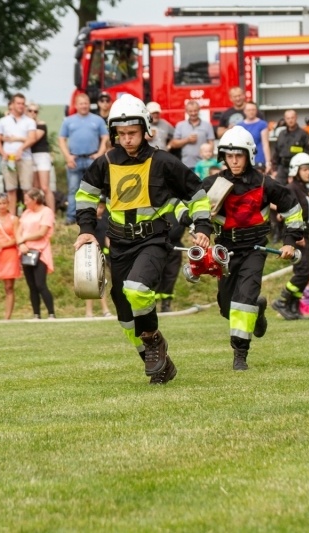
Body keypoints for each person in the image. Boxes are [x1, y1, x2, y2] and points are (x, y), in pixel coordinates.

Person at [74, 94, 213, 385]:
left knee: (137, 289)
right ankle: (161, 366)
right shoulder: (104, 163)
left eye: (132, 133)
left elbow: (197, 195)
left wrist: (203, 226)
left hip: (153, 241)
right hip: (118, 244)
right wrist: (86, 229)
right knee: (125, 317)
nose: (127, 139)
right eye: (121, 133)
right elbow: (85, 196)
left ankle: (152, 339)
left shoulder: (164, 162)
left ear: (146, 129)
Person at [200, 125, 303, 369]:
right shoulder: (212, 184)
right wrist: (199, 229)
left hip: (254, 250)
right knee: (227, 307)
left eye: (239, 155)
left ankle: (240, 354)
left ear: (249, 156)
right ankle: (257, 310)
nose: (234, 161)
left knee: (244, 298)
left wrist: (290, 241)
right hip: (224, 250)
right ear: (223, 157)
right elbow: (190, 208)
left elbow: (292, 208)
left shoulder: (265, 183)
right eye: (229, 156)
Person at [271, 152, 309, 320]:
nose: (308, 172)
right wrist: (297, 236)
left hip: (305, 234)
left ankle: (294, 307)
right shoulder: (291, 189)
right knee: (303, 271)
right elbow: (289, 214)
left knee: (306, 270)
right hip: (296, 236)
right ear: (295, 170)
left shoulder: (304, 190)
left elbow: (308, 215)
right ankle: (282, 300)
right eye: (304, 169)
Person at [58, 92, 108, 224]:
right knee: (73, 189)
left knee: (93, 189)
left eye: (86, 103)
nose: (84, 106)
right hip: (74, 160)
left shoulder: (97, 120)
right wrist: (67, 157)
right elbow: (61, 139)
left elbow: (105, 138)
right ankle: (71, 217)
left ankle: (92, 216)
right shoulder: (68, 121)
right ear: (76, 105)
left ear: (89, 104)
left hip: (92, 159)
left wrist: (99, 154)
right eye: (81, 103)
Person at [16, 188, 56, 319]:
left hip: (41, 251)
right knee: (31, 285)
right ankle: (36, 314)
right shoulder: (26, 213)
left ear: (35, 200)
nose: (25, 202)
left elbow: (42, 232)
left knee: (40, 284)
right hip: (25, 251)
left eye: (27, 200)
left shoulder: (46, 212)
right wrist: (21, 244)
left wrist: (24, 238)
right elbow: (18, 231)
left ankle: (51, 313)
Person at [0, 93, 37, 210]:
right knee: (10, 189)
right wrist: (3, 153)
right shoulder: (3, 121)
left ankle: (27, 215)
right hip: (8, 159)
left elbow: (32, 138)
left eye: (23, 104)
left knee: (27, 189)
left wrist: (21, 149)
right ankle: (12, 216)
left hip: (25, 158)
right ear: (12, 104)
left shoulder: (29, 121)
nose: (21, 106)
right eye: (18, 103)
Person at [25, 102, 56, 211]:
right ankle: (36, 211)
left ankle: (51, 212)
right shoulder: (25, 125)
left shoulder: (41, 124)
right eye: (30, 110)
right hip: (30, 156)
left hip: (42, 155)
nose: (33, 113)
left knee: (45, 187)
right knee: (35, 188)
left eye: (35, 111)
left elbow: (32, 139)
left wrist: (15, 138)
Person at [85, 198, 113, 318]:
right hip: (90, 254)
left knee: (101, 282)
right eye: (97, 207)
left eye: (101, 207)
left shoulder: (105, 220)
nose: (99, 210)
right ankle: (90, 311)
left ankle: (104, 310)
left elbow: (107, 237)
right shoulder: (89, 222)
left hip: (102, 254)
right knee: (91, 283)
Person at [270, 109, 309, 183]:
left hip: (297, 169)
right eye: (288, 118)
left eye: (292, 118)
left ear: (296, 118)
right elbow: (276, 153)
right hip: (282, 168)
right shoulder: (281, 134)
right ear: (285, 119)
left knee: (296, 188)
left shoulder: (303, 134)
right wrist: (274, 169)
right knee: (278, 187)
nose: (290, 120)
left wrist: (304, 169)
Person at [170, 100, 215, 169]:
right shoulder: (180, 125)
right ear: (186, 111)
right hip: (187, 165)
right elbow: (174, 144)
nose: (193, 113)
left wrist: (210, 160)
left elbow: (211, 144)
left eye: (195, 111)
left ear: (199, 110)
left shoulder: (207, 125)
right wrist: (187, 140)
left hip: (204, 164)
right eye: (190, 111)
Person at [237, 101, 270, 173]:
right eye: (249, 110)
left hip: (258, 158)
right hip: (244, 158)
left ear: (256, 111)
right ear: (244, 111)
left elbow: (265, 144)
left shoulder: (262, 124)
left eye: (253, 110)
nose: (251, 112)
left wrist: (268, 162)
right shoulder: (239, 126)